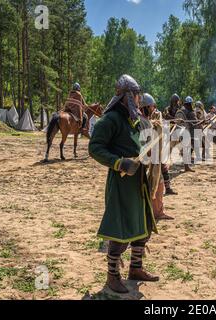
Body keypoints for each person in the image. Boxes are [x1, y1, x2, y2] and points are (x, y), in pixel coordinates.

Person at [89, 75, 159, 294]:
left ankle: (135, 269)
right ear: (129, 96)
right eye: (137, 94)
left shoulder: (133, 119)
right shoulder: (110, 119)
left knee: (144, 226)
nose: (139, 99)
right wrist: (119, 162)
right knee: (120, 231)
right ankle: (112, 276)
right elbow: (95, 148)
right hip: (121, 183)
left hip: (139, 183)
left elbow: (138, 143)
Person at [141, 93, 174, 221]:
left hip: (152, 160)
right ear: (145, 107)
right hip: (146, 161)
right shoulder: (142, 121)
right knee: (154, 184)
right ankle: (155, 212)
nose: (152, 110)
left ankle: (157, 211)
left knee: (158, 182)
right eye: (150, 107)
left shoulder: (146, 120)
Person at [176, 96, 198, 172]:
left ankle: (186, 166)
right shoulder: (188, 111)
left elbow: (189, 122)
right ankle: (186, 167)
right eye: (191, 104)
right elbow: (193, 122)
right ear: (189, 104)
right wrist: (198, 123)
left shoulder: (183, 110)